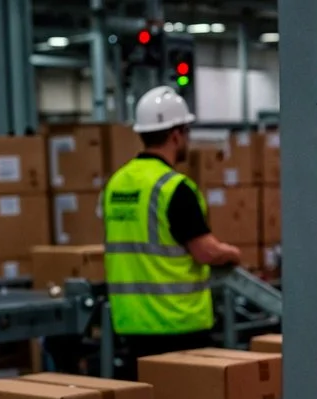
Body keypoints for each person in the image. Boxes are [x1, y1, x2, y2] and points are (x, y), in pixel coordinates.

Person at [102, 86, 242, 366]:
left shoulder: (116, 183)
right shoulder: (174, 188)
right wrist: (232, 254)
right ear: (176, 135)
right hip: (178, 325)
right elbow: (205, 252)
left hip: (132, 325)